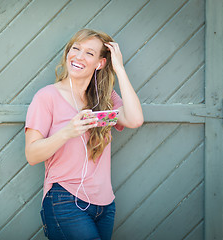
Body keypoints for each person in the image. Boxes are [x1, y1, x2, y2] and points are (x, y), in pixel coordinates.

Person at [24, 29, 143, 240]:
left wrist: (120, 69)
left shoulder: (105, 97)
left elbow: (134, 119)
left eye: (89, 53)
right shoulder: (47, 97)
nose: (78, 56)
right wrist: (67, 132)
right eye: (76, 48)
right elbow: (32, 155)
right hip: (65, 200)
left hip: (105, 205)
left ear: (100, 63)